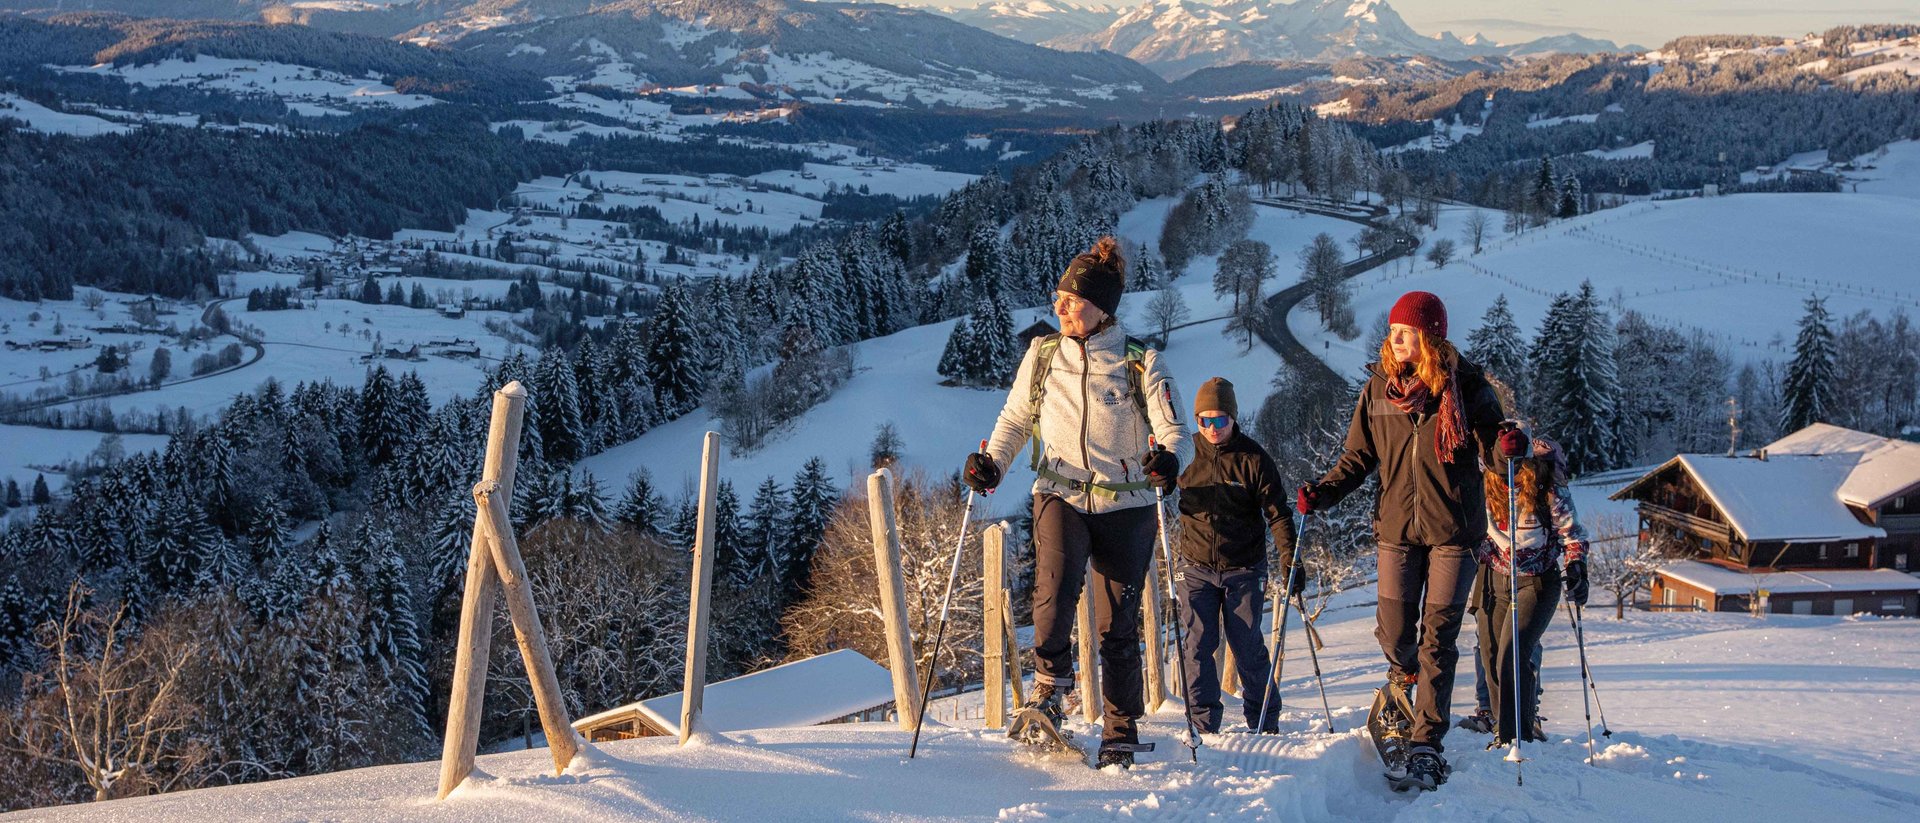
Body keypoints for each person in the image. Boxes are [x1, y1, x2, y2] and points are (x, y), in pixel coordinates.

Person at [962, 236, 1189, 769]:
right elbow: (1015, 420)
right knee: (1054, 589)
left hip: (1127, 505)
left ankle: (1120, 727)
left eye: (1073, 299)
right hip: (1060, 492)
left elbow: (1174, 430)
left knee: (1118, 623)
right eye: (1059, 295)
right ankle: (1050, 691)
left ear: (1102, 308)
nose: (1060, 306)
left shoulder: (1140, 363)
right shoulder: (1042, 356)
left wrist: (1169, 460)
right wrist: (992, 462)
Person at [1295, 290, 1525, 791]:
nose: (1392, 338)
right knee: (1397, 635)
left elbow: (1492, 447)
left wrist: (1509, 447)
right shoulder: (1378, 388)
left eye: (1404, 332)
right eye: (1393, 331)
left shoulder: (1467, 387)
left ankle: (1425, 746)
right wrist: (1323, 492)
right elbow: (1358, 458)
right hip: (1398, 529)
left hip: (1453, 532)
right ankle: (1403, 687)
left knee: (1438, 641)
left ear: (1429, 337)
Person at [1172, 378, 1298, 734]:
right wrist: (1157, 471)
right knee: (1197, 644)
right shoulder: (1186, 454)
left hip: (1244, 567)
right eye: (1204, 421)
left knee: (1246, 645)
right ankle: (1203, 723)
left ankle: (1263, 719)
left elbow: (1278, 512)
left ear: (1233, 419)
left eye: (1220, 421)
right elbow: (1161, 482)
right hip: (1195, 566)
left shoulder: (1253, 459)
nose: (1212, 429)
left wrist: (1289, 557)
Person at [1474, 434, 1589, 747]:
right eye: (1500, 467)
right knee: (1492, 654)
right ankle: (1504, 728)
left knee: (1514, 653)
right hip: (1494, 577)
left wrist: (1577, 566)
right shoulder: (1483, 482)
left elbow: (1572, 534)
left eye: (1514, 466)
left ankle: (1517, 736)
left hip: (1537, 579)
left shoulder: (1544, 485)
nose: (1507, 473)